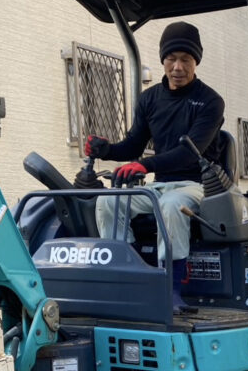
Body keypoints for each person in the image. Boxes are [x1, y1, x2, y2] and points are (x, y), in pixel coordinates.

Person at [78, 21, 224, 311]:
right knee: (109, 204)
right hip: (160, 184)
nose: (178, 67)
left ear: (196, 62)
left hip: (199, 185)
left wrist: (145, 165)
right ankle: (127, 278)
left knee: (170, 206)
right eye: (171, 59)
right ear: (163, 60)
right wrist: (107, 149)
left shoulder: (210, 101)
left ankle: (170, 290)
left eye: (186, 59)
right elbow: (134, 144)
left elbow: (189, 152)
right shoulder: (150, 99)